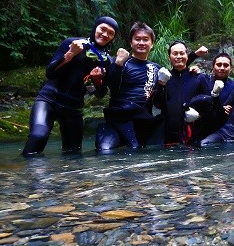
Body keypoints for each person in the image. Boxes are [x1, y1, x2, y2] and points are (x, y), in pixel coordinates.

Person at [22, 16, 119, 156]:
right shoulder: (72, 43)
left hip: (74, 108)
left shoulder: (107, 61)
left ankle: (68, 178)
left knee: (74, 153)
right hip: (49, 99)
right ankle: (22, 173)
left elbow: (100, 94)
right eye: (102, 29)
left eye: (110, 33)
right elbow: (50, 73)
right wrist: (70, 54)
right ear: (95, 28)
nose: (105, 34)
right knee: (38, 136)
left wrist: (97, 80)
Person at [96, 21, 162, 151]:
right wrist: (118, 64)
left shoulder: (156, 69)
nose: (141, 43)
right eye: (137, 39)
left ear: (152, 44)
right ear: (131, 43)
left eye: (145, 39)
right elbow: (111, 88)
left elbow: (161, 101)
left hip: (142, 122)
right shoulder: (120, 62)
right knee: (105, 151)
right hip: (118, 119)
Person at [152, 41, 209, 145]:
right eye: (175, 53)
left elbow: (209, 105)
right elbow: (157, 105)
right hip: (168, 134)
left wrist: (199, 115)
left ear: (187, 56)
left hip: (194, 134)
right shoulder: (163, 78)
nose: (178, 56)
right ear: (169, 57)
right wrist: (161, 85)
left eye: (182, 53)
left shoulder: (199, 77)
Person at [196, 53, 234, 145]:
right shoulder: (203, 80)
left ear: (231, 68)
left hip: (223, 131)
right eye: (219, 65)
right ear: (213, 66)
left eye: (226, 65)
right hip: (201, 126)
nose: (222, 68)